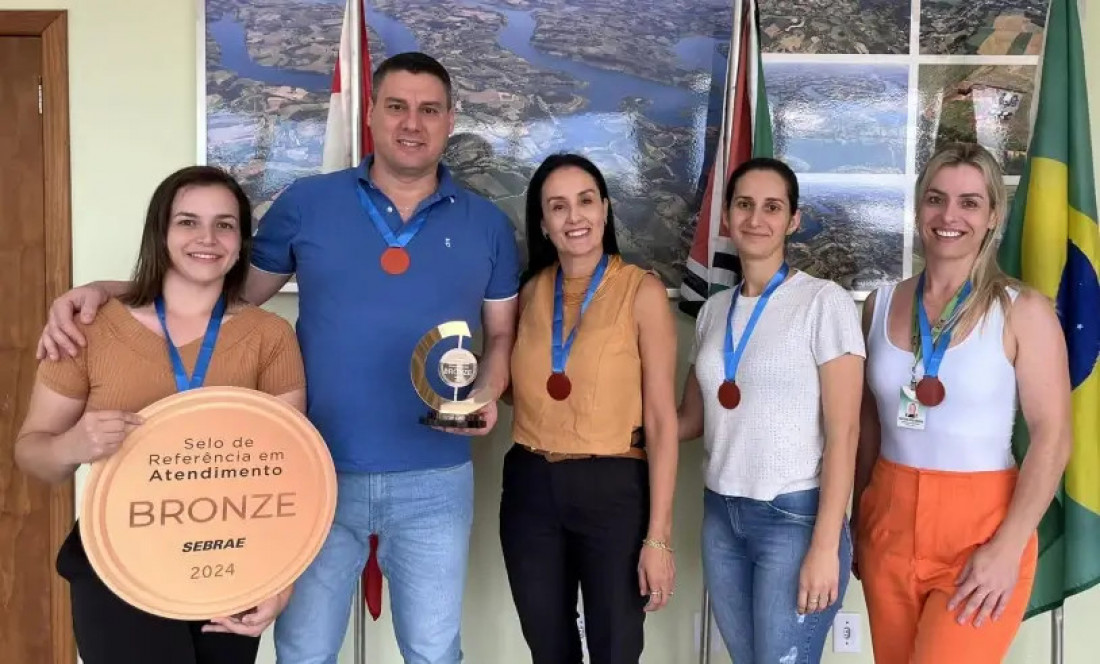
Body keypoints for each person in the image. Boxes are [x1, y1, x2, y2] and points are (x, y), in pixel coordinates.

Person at [35, 52, 520, 664]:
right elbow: (216, 297)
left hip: (436, 474)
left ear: (451, 119)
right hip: (311, 474)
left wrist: (488, 394)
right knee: (304, 650)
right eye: (396, 106)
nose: (411, 123)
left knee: (432, 649)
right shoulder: (308, 203)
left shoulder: (489, 224)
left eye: (429, 109)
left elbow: (501, 336)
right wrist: (109, 292)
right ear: (370, 113)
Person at [15, 165, 306, 664]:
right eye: (188, 222)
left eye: (225, 224)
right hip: (119, 566)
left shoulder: (269, 335)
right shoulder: (88, 328)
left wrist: (281, 580)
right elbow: (32, 453)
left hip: (231, 563)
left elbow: (289, 472)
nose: (207, 238)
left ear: (241, 242)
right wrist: (72, 446)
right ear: (161, 232)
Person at [852, 142, 1071, 663]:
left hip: (982, 531)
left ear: (994, 214)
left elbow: (1053, 438)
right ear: (918, 207)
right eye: (936, 199)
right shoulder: (878, 305)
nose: (949, 216)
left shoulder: (1024, 312)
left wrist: (1007, 547)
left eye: (969, 202)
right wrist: (857, 520)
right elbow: (867, 426)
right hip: (888, 518)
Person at [677, 157, 864, 664]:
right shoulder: (715, 311)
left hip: (794, 519)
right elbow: (691, 420)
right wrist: (609, 419)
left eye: (772, 207)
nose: (756, 219)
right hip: (722, 518)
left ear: (793, 220)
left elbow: (845, 435)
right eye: (744, 204)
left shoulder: (824, 303)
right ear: (727, 217)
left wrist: (826, 547)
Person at [501, 153, 678, 663]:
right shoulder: (529, 292)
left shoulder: (640, 291)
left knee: (616, 648)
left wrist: (659, 539)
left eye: (584, 201)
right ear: (543, 222)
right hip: (531, 485)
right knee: (548, 648)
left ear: (605, 208)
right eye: (558, 207)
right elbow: (518, 387)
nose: (573, 217)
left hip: (614, 489)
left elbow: (663, 423)